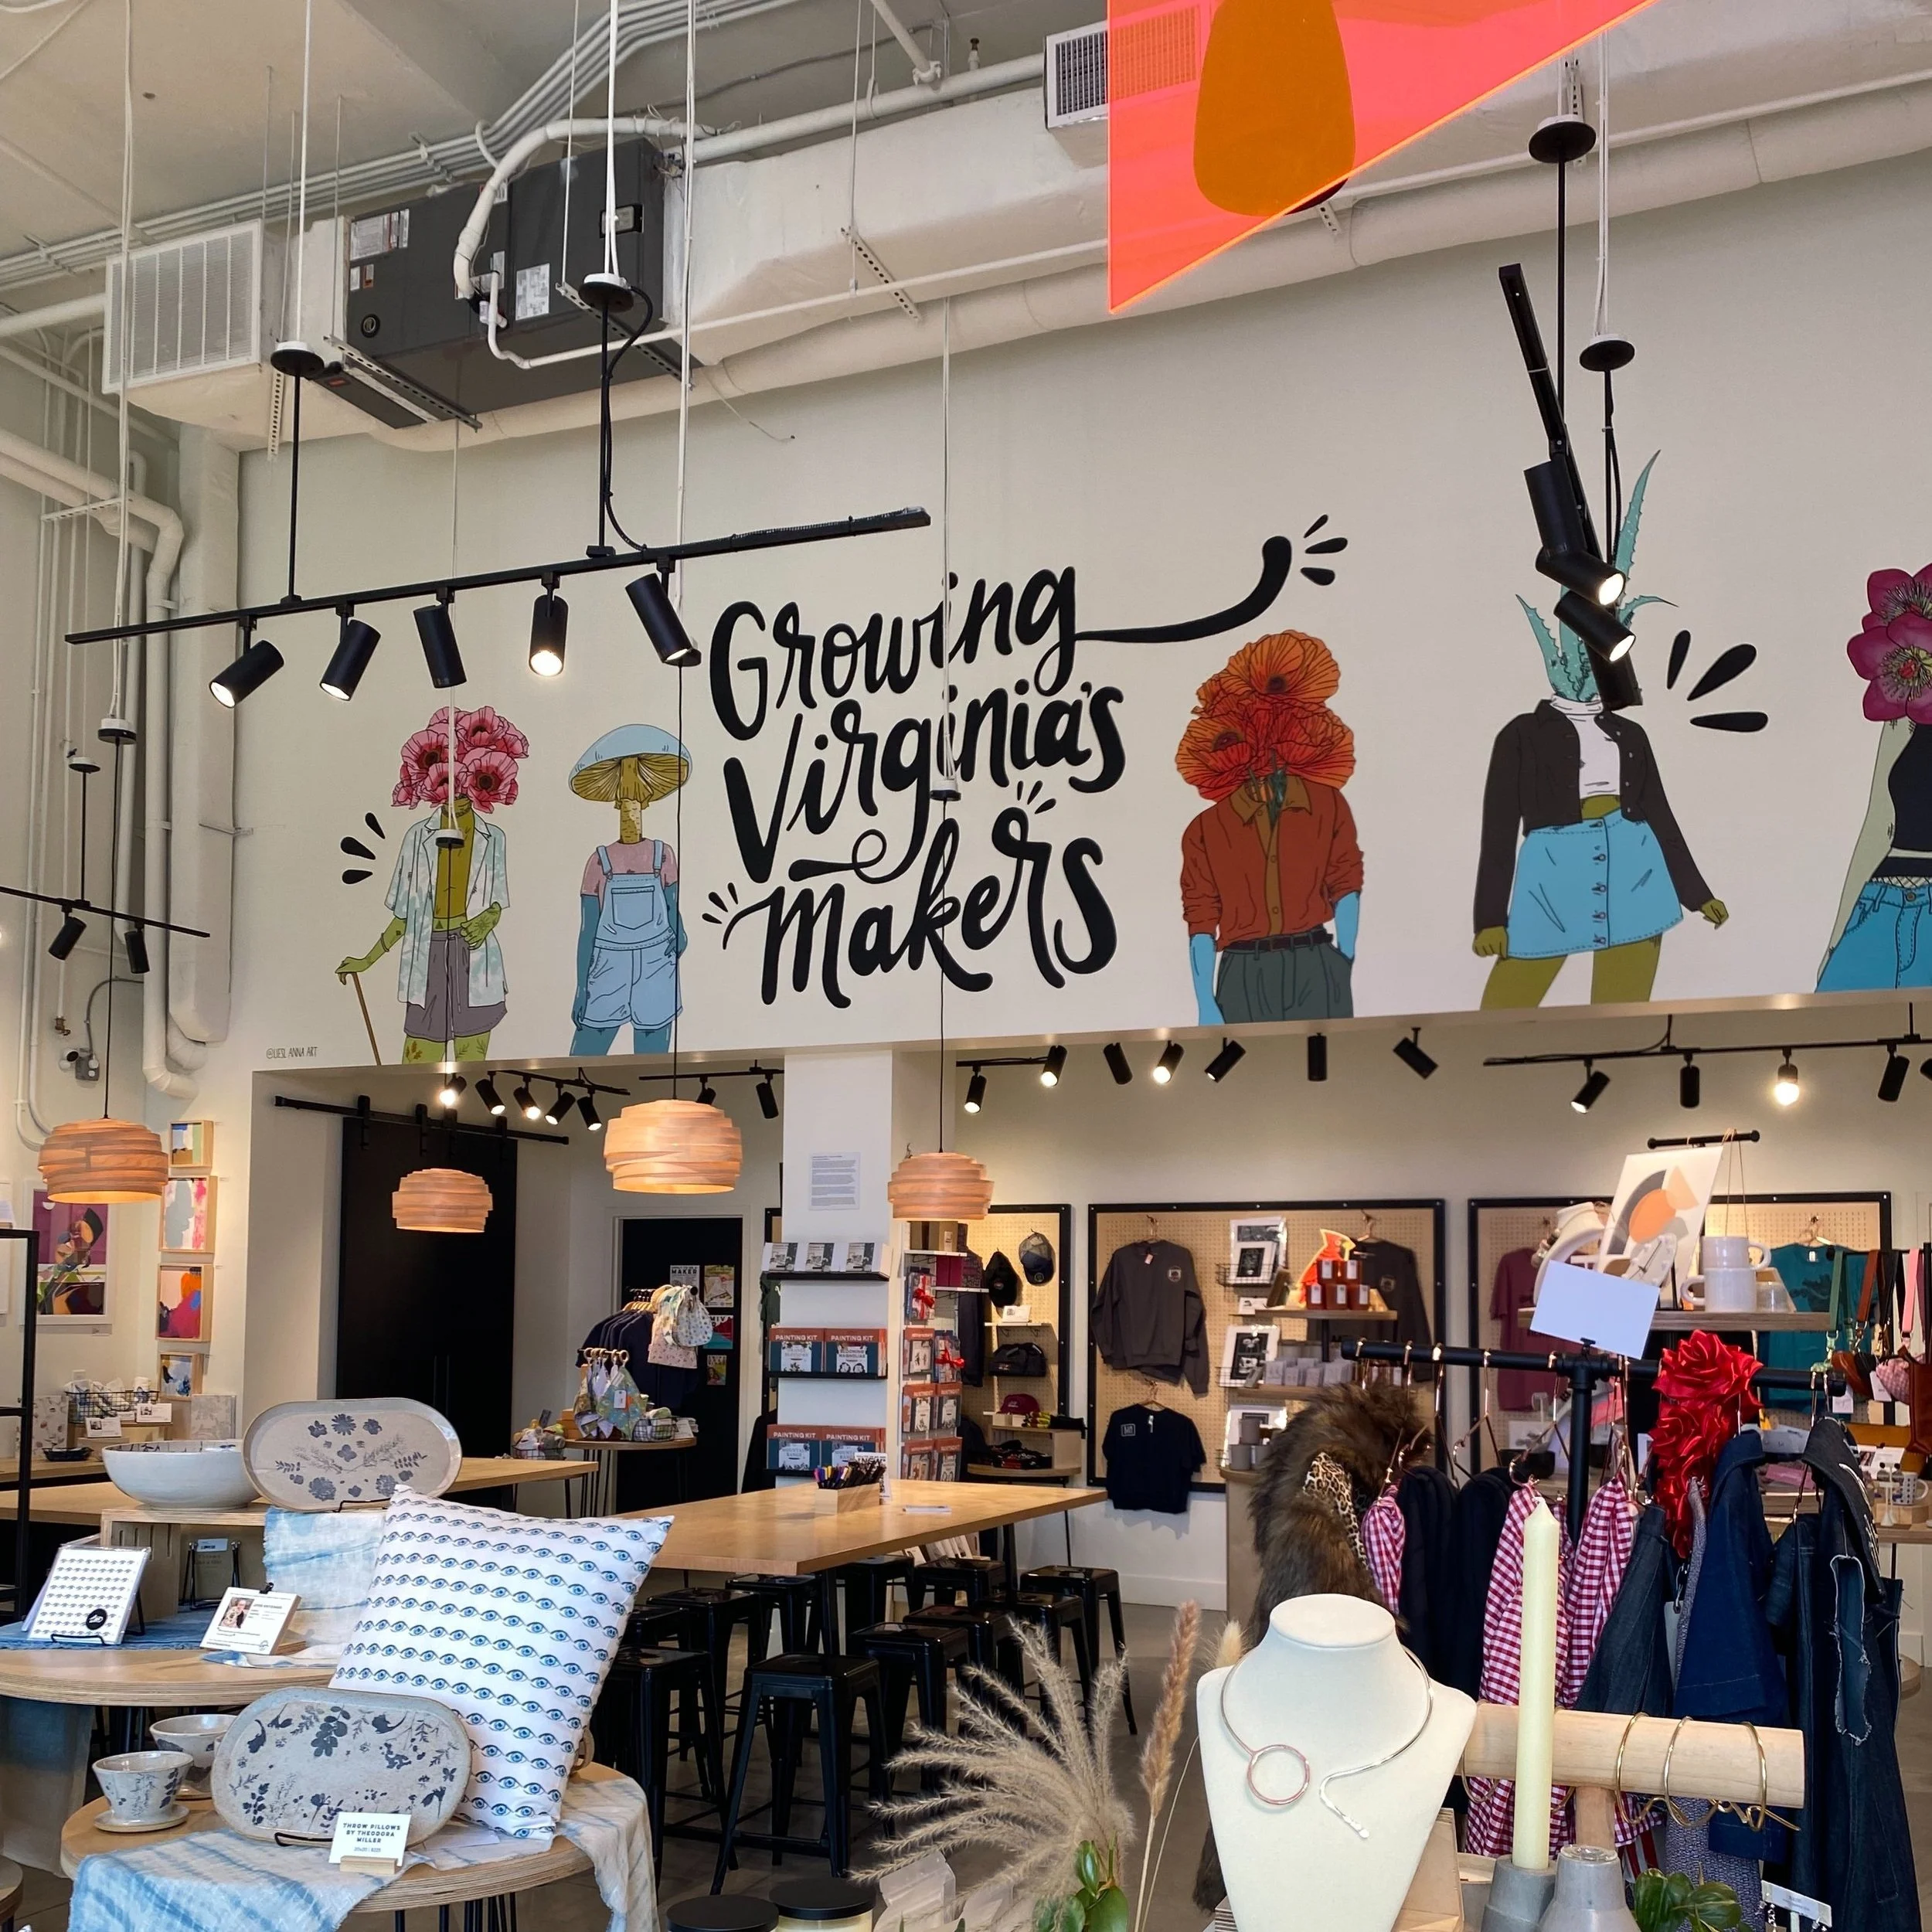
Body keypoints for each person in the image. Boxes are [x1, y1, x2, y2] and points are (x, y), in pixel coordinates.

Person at [1176, 631, 1362, 1022]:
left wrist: (1344, 960)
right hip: (1244, 970)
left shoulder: (1326, 804)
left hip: (1315, 960)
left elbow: (1346, 882)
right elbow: (1201, 918)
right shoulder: (1205, 830)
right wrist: (1205, 1002)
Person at [336, 706, 524, 1062]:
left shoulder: (494, 838)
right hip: (427, 953)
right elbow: (404, 915)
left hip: (473, 955)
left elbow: (497, 903)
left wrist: (488, 919)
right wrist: (367, 960)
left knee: (472, 1068)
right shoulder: (416, 837)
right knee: (418, 1064)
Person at [566, 724, 689, 1054]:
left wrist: (679, 934)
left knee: (654, 1062)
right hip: (608, 967)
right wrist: (582, 988)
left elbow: (673, 908)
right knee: (585, 1055)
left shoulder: (663, 855)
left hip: (656, 964)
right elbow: (588, 929)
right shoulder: (599, 861)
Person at [39, 1207, 104, 1315]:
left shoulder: (80, 1284)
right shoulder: (53, 1275)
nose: (69, 1244)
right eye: (70, 1235)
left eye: (79, 1241)